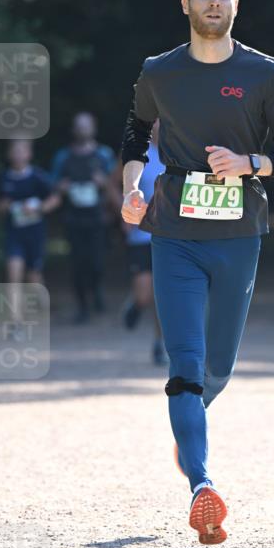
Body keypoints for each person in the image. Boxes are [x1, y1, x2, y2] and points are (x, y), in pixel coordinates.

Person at [120, 0, 274, 545]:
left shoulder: (264, 73)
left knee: (216, 368)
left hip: (238, 236)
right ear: (185, 3)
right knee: (184, 365)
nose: (212, 3)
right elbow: (132, 133)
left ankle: (189, 429)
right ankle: (202, 484)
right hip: (174, 233)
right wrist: (132, 186)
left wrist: (250, 162)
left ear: (235, 3)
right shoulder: (159, 71)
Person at [109, 119, 167, 365]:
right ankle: (135, 303)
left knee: (163, 295)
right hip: (140, 235)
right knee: (146, 295)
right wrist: (123, 209)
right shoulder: (137, 153)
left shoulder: (180, 151)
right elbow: (111, 185)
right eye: (156, 120)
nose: (160, 125)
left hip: (169, 236)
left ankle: (159, 344)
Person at [50, 112, 116, 324]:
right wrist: (61, 187)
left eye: (86, 126)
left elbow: (116, 184)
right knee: (78, 265)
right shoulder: (63, 157)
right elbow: (52, 185)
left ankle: (96, 290)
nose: (82, 130)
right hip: (73, 218)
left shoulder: (104, 155)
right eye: (79, 126)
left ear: (93, 128)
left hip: (97, 218)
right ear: (73, 129)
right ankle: (82, 307)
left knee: (96, 263)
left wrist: (103, 183)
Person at [0, 138, 60, 333]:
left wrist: (38, 208)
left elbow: (55, 198)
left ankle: (43, 307)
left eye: (21, 151)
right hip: (14, 235)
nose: (18, 155)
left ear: (28, 154)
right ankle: (16, 322)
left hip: (35, 234)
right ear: (9, 154)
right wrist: (4, 207)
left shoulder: (38, 177)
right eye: (14, 151)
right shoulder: (4, 178)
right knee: (13, 275)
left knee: (33, 278)